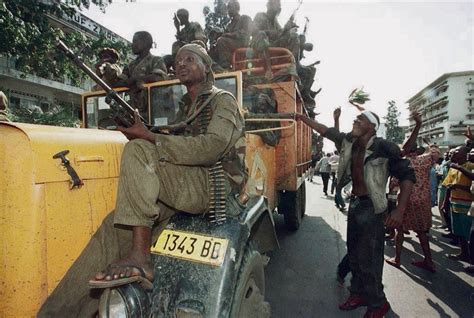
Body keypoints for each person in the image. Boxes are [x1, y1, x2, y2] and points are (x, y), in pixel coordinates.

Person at [38, 43, 247, 317]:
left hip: (216, 185)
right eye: (178, 60)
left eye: (190, 59)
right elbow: (179, 146)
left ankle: (141, 257)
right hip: (190, 180)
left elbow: (211, 148)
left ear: (206, 68)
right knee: (115, 227)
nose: (180, 63)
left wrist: (149, 139)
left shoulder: (223, 101)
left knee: (138, 150)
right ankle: (55, 313)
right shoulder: (187, 107)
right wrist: (146, 132)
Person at [295, 111, 415, 318]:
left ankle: (378, 304)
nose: (355, 121)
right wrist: (302, 117)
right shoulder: (350, 141)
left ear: (372, 126)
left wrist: (400, 210)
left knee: (370, 259)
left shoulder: (384, 147)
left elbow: (407, 175)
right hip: (356, 204)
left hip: (373, 208)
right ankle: (358, 293)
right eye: (355, 118)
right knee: (354, 255)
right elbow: (326, 131)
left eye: (360, 119)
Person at [385, 145, 440, 272]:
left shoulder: (403, 164)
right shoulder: (425, 160)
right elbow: (435, 152)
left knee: (399, 229)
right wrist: (430, 145)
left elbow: (393, 184)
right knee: (422, 232)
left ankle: (397, 259)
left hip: (406, 200)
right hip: (423, 201)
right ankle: (429, 261)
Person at [116, 31, 168, 119]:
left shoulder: (156, 60)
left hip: (153, 109)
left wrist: (138, 79)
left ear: (146, 43)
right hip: (133, 110)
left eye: (136, 41)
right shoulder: (130, 65)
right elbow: (119, 83)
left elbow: (161, 78)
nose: (133, 45)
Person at [251, 0, 300, 79]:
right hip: (260, 49)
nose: (279, 7)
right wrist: (278, 33)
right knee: (261, 35)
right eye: (277, 4)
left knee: (295, 38)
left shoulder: (276, 23)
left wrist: (287, 30)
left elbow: (280, 36)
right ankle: (268, 70)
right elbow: (254, 31)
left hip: (273, 50)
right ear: (269, 5)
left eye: (279, 5)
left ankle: (295, 67)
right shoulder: (260, 16)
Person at [442, 146, 474, 262]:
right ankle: (464, 253)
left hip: (467, 205)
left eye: (457, 151)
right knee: (459, 231)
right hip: (454, 203)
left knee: (468, 233)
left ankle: (471, 257)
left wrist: (459, 186)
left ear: (464, 154)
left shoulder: (470, 166)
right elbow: (448, 186)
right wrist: (445, 203)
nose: (453, 153)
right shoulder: (452, 168)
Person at [210, 0, 252, 69]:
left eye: (229, 7)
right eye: (227, 8)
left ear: (237, 8)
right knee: (213, 48)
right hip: (230, 45)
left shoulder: (245, 18)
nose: (228, 10)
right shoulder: (229, 25)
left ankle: (225, 67)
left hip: (242, 43)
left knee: (221, 41)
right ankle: (215, 68)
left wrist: (229, 35)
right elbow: (224, 36)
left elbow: (245, 34)